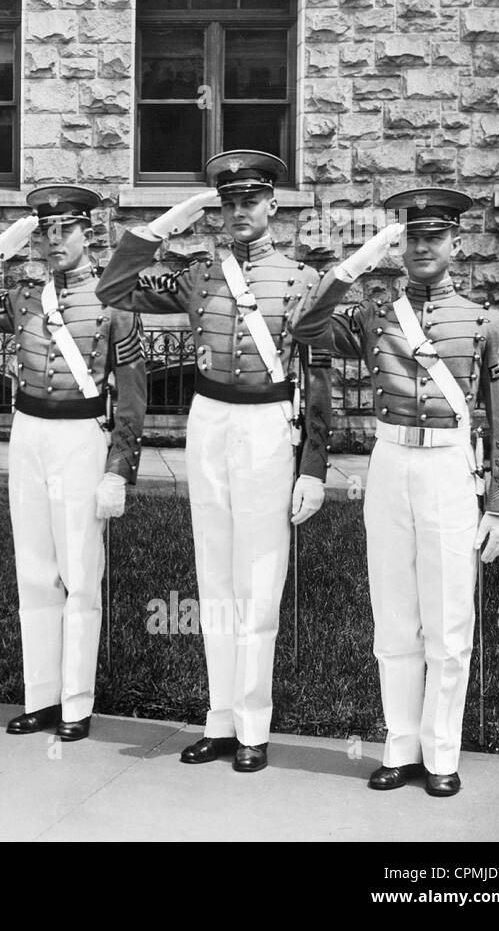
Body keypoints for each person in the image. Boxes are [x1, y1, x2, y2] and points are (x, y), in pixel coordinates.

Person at [95, 150, 332, 771]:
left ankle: (254, 726)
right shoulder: (199, 275)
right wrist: (168, 222)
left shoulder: (302, 280)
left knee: (258, 576)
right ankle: (219, 718)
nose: (238, 213)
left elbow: (320, 377)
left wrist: (313, 465)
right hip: (209, 421)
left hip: (265, 425)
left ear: (273, 205)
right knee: (215, 574)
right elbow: (113, 286)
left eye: (250, 200)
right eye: (227, 203)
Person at [290, 189, 499, 797]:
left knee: (447, 620)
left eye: (434, 238)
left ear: (456, 245)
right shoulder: (375, 315)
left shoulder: (482, 320)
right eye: (411, 237)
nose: (421, 248)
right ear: (400, 243)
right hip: (389, 464)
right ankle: (399, 746)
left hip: (448, 468)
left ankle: (443, 754)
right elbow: (304, 325)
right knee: (393, 616)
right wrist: (356, 262)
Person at [0, 186, 146, 742]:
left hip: (82, 435)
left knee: (79, 574)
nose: (55, 242)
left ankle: (76, 703)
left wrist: (119, 468)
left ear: (88, 234)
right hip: (27, 432)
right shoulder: (24, 297)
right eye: (45, 232)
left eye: (66, 231)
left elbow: (132, 395)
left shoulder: (115, 301)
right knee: (33, 569)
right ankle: (41, 698)